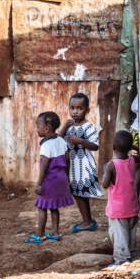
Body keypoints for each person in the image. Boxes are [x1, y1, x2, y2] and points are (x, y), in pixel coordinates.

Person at [26, 111, 73, 244]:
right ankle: (55, 232)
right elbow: (67, 159)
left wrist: (39, 184)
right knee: (54, 206)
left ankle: (40, 234)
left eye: (38, 127)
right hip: (61, 179)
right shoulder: (60, 140)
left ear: (46, 129)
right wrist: (67, 176)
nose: (36, 130)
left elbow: (44, 167)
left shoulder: (46, 145)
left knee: (42, 207)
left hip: (50, 181)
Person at [58, 92, 101, 233]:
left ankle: (88, 222)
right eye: (72, 108)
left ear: (87, 110)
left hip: (84, 165)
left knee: (80, 191)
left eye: (79, 108)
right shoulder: (70, 127)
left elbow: (95, 146)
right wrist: (64, 127)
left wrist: (80, 141)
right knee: (76, 191)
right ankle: (86, 219)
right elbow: (58, 139)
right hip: (73, 166)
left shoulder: (89, 127)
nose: (74, 111)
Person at [101, 131, 140, 266]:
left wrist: (105, 171)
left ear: (113, 147)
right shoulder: (132, 160)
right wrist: (133, 147)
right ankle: (133, 258)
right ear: (130, 148)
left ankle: (121, 262)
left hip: (118, 210)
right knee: (130, 235)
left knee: (119, 236)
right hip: (132, 206)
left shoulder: (111, 165)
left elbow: (105, 185)